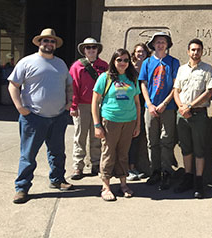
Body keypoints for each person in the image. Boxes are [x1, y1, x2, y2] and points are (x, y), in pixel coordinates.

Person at [8, 28, 74, 204]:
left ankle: (58, 179)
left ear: (55, 45)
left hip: (58, 116)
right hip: (33, 117)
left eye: (52, 41)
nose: (49, 44)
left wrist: (69, 102)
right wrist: (20, 107)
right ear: (39, 43)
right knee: (28, 155)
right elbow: (13, 85)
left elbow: (69, 84)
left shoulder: (60, 63)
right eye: (46, 41)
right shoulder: (26, 62)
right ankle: (22, 188)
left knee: (58, 152)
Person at [91, 48, 141, 201]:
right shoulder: (105, 78)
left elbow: (137, 103)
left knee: (123, 153)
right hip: (110, 120)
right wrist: (97, 125)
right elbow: (95, 102)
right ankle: (106, 186)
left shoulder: (132, 78)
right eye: (119, 60)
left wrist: (137, 125)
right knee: (108, 153)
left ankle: (123, 183)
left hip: (129, 121)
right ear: (113, 61)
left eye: (126, 60)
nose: (123, 63)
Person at [173, 38, 212, 199]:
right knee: (186, 148)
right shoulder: (182, 69)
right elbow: (176, 90)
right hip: (182, 114)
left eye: (198, 50)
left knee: (199, 149)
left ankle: (199, 181)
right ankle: (188, 177)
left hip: (198, 114)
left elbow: (208, 92)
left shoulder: (207, 69)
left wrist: (189, 106)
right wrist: (181, 108)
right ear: (188, 51)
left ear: (202, 51)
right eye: (193, 50)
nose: (195, 52)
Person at [139, 32, 180, 189]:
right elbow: (143, 83)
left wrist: (165, 102)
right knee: (152, 141)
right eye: (158, 42)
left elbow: (176, 85)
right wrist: (149, 103)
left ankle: (166, 172)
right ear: (153, 45)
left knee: (167, 140)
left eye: (163, 42)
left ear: (167, 45)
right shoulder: (147, 62)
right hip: (150, 107)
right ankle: (154, 171)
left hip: (168, 107)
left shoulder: (173, 62)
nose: (160, 44)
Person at [69, 37, 108, 180]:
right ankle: (78, 166)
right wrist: (73, 106)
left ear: (97, 50)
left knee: (97, 135)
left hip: (98, 105)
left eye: (93, 47)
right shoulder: (76, 66)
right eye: (88, 48)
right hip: (82, 105)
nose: (91, 50)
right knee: (80, 136)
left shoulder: (104, 66)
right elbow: (73, 87)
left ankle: (96, 163)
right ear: (84, 50)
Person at [126, 42, 151, 181]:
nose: (140, 54)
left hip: (144, 106)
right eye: (138, 52)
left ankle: (132, 166)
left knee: (136, 137)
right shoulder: (129, 69)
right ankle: (126, 169)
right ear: (134, 54)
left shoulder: (148, 67)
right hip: (129, 107)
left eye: (143, 51)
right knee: (127, 138)